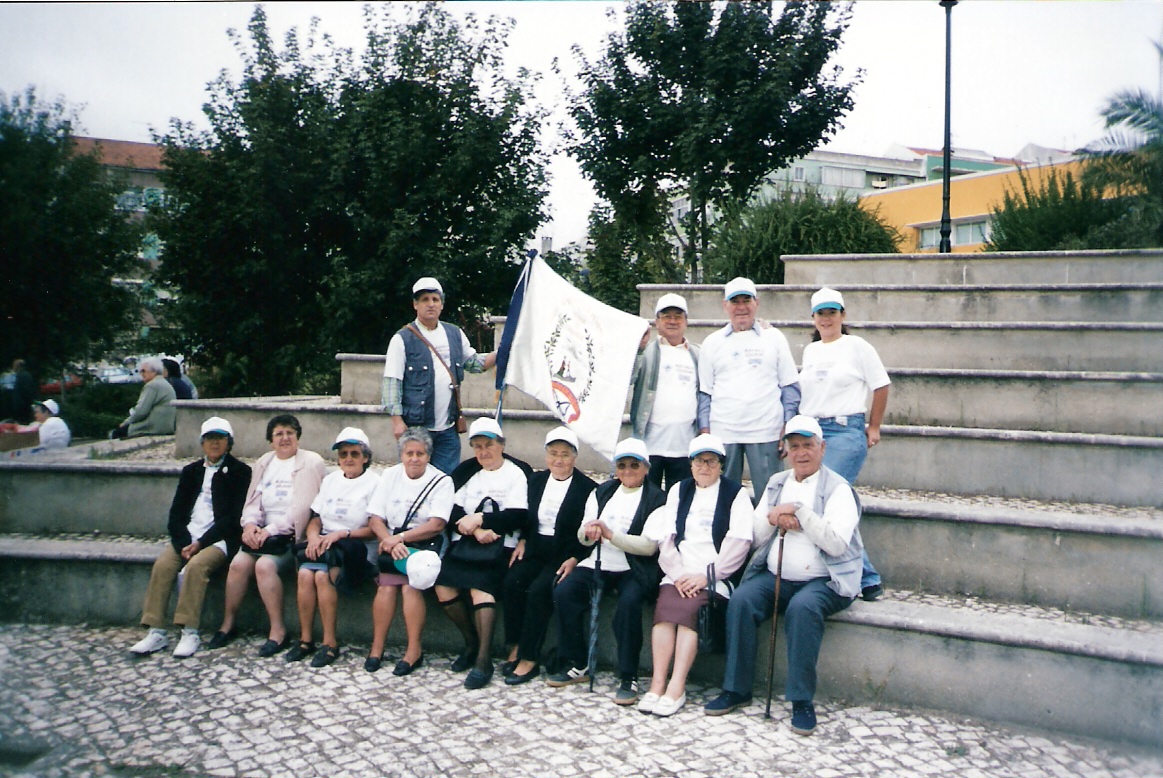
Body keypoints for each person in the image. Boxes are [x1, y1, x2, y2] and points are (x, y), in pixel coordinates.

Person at [703, 416, 864, 737]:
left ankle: (801, 700)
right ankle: (736, 688)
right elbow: (754, 534)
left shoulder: (839, 489)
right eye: (794, 446)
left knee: (803, 608)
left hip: (826, 580)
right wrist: (775, 517)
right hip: (777, 574)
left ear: (822, 448)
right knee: (742, 599)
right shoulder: (777, 483)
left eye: (808, 445)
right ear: (786, 450)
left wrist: (800, 513)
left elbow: (835, 544)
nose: (801, 453)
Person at [640, 433, 753, 716]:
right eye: (699, 461)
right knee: (665, 610)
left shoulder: (735, 494)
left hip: (715, 576)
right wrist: (678, 574)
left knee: (690, 610)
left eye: (711, 461)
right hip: (678, 573)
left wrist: (706, 576)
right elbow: (667, 538)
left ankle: (676, 686)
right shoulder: (679, 490)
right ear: (690, 464)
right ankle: (657, 684)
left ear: (721, 465)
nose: (705, 467)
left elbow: (739, 543)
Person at [548, 437, 666, 706]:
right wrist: (589, 532)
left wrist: (611, 535)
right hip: (598, 562)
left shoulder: (657, 498)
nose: (627, 471)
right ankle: (578, 662)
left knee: (629, 603)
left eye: (634, 465)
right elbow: (583, 537)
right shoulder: (602, 492)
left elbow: (649, 546)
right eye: (621, 465)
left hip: (633, 568)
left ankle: (628, 675)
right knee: (565, 591)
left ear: (646, 468)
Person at [129, 417, 251, 658]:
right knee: (163, 566)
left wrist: (200, 544)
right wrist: (185, 542)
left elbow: (232, 519)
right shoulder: (191, 472)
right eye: (210, 438)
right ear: (202, 443)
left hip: (218, 540)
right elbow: (176, 514)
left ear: (229, 442)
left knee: (196, 567)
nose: (215, 443)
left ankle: (189, 630)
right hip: (188, 537)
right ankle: (156, 630)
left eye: (220, 438)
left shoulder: (240, 472)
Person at [798, 287, 892, 601]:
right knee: (827, 501)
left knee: (827, 496)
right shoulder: (811, 351)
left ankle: (866, 577)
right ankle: (861, 576)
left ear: (842, 315)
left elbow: (881, 385)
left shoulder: (857, 346)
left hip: (845, 431)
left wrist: (874, 426)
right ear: (813, 318)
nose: (826, 319)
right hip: (813, 433)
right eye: (820, 314)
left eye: (832, 312)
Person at [207, 414, 326, 656]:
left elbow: (302, 509)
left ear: (298, 437)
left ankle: (278, 630)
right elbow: (253, 500)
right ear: (271, 440)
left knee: (264, 566)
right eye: (278, 434)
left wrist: (269, 531)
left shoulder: (311, 462)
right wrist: (250, 526)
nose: (285, 438)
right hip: (263, 535)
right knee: (238, 564)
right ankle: (228, 623)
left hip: (292, 536)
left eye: (290, 433)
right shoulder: (265, 462)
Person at [434, 416, 531, 689]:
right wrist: (475, 530)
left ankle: (483, 659)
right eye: (477, 446)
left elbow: (518, 514)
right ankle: (471, 643)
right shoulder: (467, 471)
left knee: (481, 590)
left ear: (502, 445)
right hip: (467, 543)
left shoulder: (516, 473)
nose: (483, 452)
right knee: (443, 586)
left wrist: (482, 519)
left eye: (489, 445)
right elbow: (451, 508)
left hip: (500, 546)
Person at [499, 427, 598, 686]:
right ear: (546, 455)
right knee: (512, 582)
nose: (558, 460)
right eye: (553, 453)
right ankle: (515, 646)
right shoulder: (536, 481)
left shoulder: (587, 488)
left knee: (539, 590)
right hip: (535, 547)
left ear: (575, 457)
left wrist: (576, 557)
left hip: (564, 552)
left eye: (565, 454)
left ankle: (529, 658)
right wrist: (522, 539)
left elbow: (588, 532)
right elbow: (525, 516)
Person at [697, 278, 800, 505]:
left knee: (771, 500)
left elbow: (790, 386)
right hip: (723, 432)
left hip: (766, 431)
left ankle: (769, 531)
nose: (741, 307)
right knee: (722, 501)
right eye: (735, 301)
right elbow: (705, 393)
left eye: (747, 300)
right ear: (725, 305)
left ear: (757, 303)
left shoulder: (774, 337)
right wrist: (705, 433)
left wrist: (787, 425)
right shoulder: (712, 342)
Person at [381, 277, 498, 475]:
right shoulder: (401, 339)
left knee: (448, 480)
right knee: (415, 478)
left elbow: (475, 363)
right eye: (425, 299)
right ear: (415, 304)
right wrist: (397, 422)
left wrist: (503, 353)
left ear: (442, 304)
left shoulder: (454, 333)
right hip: (416, 428)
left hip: (448, 428)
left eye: (435, 299)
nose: (431, 304)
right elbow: (392, 383)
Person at [364, 427, 455, 675]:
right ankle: (376, 648)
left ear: (429, 456)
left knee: (409, 586)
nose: (414, 458)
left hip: (425, 545)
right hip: (394, 544)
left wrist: (399, 539)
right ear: (401, 455)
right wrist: (389, 541)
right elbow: (375, 518)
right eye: (409, 453)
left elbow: (436, 524)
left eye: (420, 453)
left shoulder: (442, 481)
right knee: (386, 587)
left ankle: (414, 650)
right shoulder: (390, 475)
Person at [287, 427, 379, 668]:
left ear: (365, 457)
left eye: (354, 453)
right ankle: (306, 639)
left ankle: (330, 643)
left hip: (356, 547)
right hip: (326, 545)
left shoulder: (375, 483)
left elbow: (374, 529)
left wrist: (342, 534)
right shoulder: (331, 481)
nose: (348, 458)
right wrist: (313, 537)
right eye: (343, 454)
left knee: (321, 576)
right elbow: (316, 518)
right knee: (305, 574)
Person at [630, 293, 703, 493]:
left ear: (686, 321)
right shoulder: (646, 352)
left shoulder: (697, 354)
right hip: (649, 445)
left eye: (678, 316)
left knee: (680, 499)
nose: (672, 321)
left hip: (685, 444)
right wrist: (639, 349)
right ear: (657, 321)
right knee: (646, 499)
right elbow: (629, 378)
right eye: (666, 316)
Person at [110, 357, 177, 439]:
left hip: (152, 428)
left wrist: (125, 423)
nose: (141, 374)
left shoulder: (152, 385)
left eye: (143, 371)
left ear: (154, 371)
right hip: (165, 427)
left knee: (115, 433)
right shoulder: (163, 382)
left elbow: (140, 412)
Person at [11, 359, 35, 424]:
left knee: (23, 422)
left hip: (22, 405)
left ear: (18, 366)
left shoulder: (23, 376)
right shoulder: (21, 375)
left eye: (14, 365)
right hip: (21, 405)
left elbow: (26, 391)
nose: (13, 367)